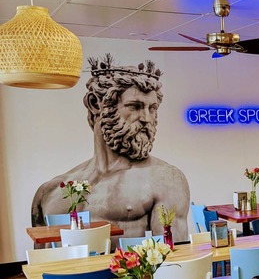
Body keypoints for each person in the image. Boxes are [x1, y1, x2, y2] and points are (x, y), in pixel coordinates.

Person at [31, 54, 189, 242]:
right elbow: (43, 263)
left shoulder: (165, 179)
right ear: (95, 104)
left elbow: (172, 258)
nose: (147, 118)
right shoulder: (50, 191)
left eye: (152, 108)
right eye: (135, 106)